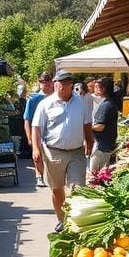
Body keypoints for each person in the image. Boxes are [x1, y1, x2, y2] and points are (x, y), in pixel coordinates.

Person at [32, 71, 93, 229]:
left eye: (67, 83)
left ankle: (75, 222)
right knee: (57, 189)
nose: (64, 86)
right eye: (61, 83)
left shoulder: (81, 102)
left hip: (76, 151)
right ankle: (62, 220)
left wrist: (89, 140)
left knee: (77, 189)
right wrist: (36, 150)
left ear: (71, 84)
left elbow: (87, 123)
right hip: (54, 152)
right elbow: (36, 128)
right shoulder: (45, 104)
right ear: (54, 83)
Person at [23, 73, 54, 184]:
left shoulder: (57, 97)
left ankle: (49, 176)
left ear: (52, 82)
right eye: (42, 81)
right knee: (38, 155)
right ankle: (39, 176)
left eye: (47, 81)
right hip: (38, 131)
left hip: (53, 132)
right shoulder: (34, 98)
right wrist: (29, 137)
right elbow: (27, 119)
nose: (45, 84)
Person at [90, 78, 119, 174]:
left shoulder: (105, 105)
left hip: (102, 147)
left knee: (94, 175)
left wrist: (85, 127)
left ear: (103, 89)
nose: (95, 89)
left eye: (97, 87)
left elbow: (100, 127)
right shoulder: (110, 103)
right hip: (106, 145)